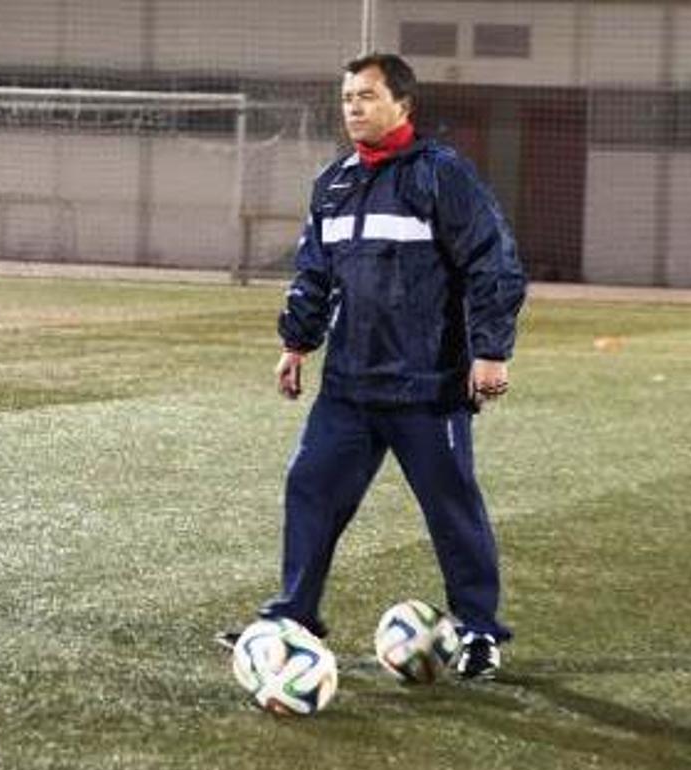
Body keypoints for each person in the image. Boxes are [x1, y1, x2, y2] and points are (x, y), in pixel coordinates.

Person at [222, 53, 527, 680]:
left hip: (429, 385)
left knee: (451, 507)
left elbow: (491, 264)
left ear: (403, 105)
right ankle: (293, 618)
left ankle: (477, 632)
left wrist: (489, 351)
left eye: (366, 95)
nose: (353, 107)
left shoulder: (443, 177)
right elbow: (314, 272)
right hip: (350, 385)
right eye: (346, 98)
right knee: (310, 489)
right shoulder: (333, 183)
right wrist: (297, 342)